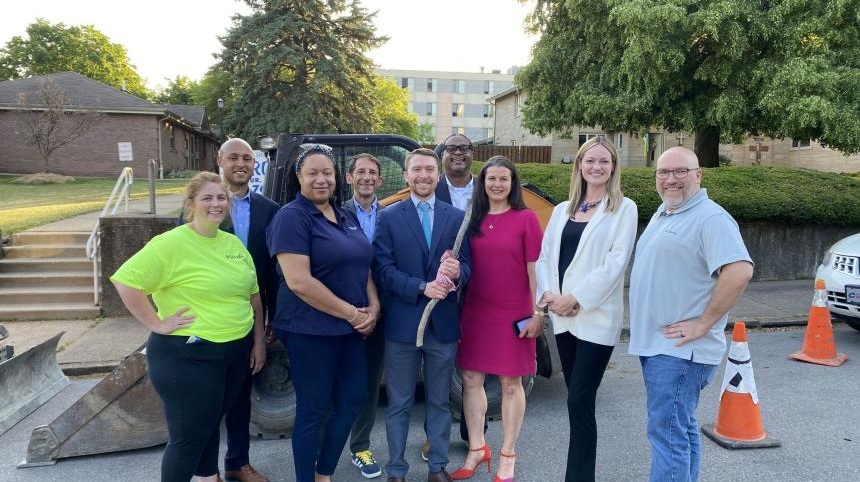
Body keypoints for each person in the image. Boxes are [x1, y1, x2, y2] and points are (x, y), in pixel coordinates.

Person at [111, 172, 266, 482]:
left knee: (210, 423)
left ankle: (209, 477)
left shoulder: (232, 243)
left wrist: (258, 340)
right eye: (207, 198)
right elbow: (126, 281)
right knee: (187, 440)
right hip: (188, 356)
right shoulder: (171, 243)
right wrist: (156, 322)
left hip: (235, 351)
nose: (216, 203)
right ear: (191, 204)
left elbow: (253, 295)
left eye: (221, 198)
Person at [629, 146, 753, 482]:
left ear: (698, 175)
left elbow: (739, 270)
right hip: (659, 347)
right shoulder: (666, 211)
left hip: (680, 352)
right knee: (679, 430)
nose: (671, 179)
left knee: (667, 433)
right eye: (663, 172)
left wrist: (703, 322)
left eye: (680, 171)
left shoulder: (710, 217)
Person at [266, 144, 379, 482]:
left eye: (326, 172)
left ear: (335, 177)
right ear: (298, 177)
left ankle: (324, 472)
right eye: (312, 173)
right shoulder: (291, 217)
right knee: (313, 411)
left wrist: (374, 306)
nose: (321, 179)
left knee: (353, 399)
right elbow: (299, 282)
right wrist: (353, 314)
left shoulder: (344, 215)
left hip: (350, 329)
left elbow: (364, 265)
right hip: (310, 331)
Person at [535, 137, 638, 482]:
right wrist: (550, 297)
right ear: (579, 164)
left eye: (604, 162)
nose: (596, 167)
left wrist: (575, 297)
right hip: (562, 319)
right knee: (575, 401)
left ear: (613, 168)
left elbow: (615, 264)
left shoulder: (624, 209)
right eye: (590, 160)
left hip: (594, 318)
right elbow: (546, 257)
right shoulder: (564, 208)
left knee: (580, 401)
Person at [180, 138, 279, 482]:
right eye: (234, 157)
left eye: (248, 158)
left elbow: (274, 272)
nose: (241, 163)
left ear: (255, 165)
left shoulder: (270, 210)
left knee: (240, 399)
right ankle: (207, 471)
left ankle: (238, 463)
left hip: (249, 315)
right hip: (206, 321)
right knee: (208, 402)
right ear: (219, 159)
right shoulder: (204, 206)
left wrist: (269, 321)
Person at [373, 148, 472, 482]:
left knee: (440, 402)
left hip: (442, 327)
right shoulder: (387, 216)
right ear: (406, 175)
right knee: (399, 403)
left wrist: (458, 272)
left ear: (437, 174)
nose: (424, 175)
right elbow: (383, 271)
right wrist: (420, 287)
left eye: (430, 169)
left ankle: (437, 467)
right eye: (417, 170)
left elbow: (470, 267)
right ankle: (397, 469)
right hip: (402, 326)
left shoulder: (456, 217)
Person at [453, 156, 543, 482]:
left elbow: (537, 270)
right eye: (491, 179)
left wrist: (537, 314)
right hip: (475, 311)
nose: (497, 184)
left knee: (509, 384)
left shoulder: (526, 219)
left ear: (512, 183)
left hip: (514, 313)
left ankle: (508, 454)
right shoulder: (471, 220)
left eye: (504, 179)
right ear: (483, 183)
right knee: (471, 380)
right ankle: (477, 448)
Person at [342, 153, 385, 479]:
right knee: (335, 384)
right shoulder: (334, 214)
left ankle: (360, 447)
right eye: (361, 172)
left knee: (370, 384)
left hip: (381, 312)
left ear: (380, 180)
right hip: (340, 311)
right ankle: (323, 448)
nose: (367, 177)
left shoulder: (393, 216)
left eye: (372, 173)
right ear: (349, 177)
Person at [435, 133, 474, 211]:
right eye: (451, 148)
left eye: (464, 148)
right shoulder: (431, 188)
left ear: (472, 155)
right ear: (442, 155)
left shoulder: (485, 187)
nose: (458, 152)